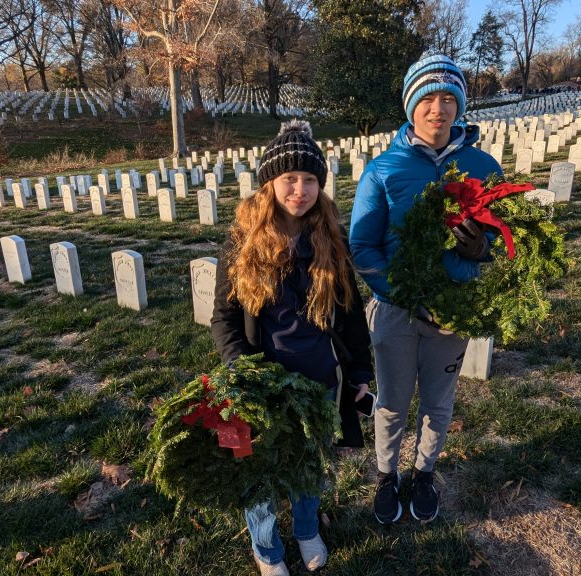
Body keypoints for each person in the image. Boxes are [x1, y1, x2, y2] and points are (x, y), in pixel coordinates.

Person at [211, 120, 374, 576]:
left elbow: (350, 314)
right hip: (264, 379)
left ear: (320, 185)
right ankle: (266, 547)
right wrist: (243, 369)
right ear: (270, 183)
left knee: (308, 461)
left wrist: (360, 373)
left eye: (309, 179)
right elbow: (223, 318)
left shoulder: (330, 240)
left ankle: (306, 528)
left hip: (319, 378)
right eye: (289, 179)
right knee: (260, 468)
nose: (299, 189)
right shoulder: (243, 244)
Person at [349, 52, 503, 525]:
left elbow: (500, 235)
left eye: (447, 98)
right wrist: (405, 293)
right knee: (392, 403)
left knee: (438, 402)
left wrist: (479, 249)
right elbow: (363, 244)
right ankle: (385, 475)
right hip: (396, 310)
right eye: (427, 99)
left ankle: (424, 473)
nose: (437, 109)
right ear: (411, 106)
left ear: (459, 105)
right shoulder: (384, 169)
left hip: (453, 310)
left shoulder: (482, 164)